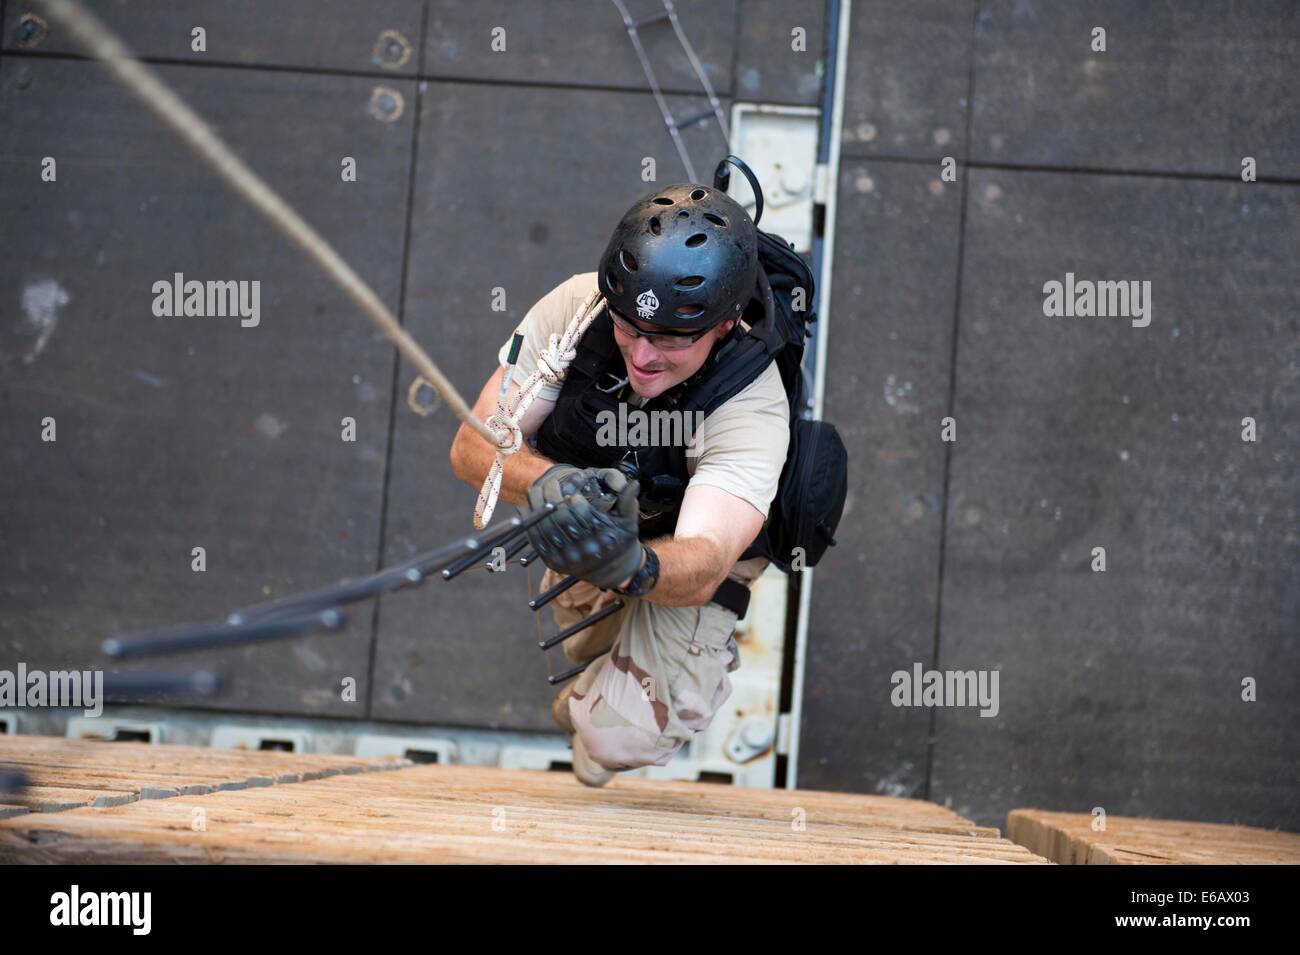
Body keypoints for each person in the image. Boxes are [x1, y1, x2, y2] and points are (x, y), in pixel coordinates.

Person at [449, 181, 789, 786]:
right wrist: (548, 478)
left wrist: (635, 567)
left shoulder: (753, 404)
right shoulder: (576, 311)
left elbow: (707, 559)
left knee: (613, 738)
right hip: (594, 514)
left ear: (725, 325)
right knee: (589, 656)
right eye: (630, 327)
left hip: (684, 560)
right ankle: (602, 685)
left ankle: (612, 705)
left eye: (673, 338)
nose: (643, 354)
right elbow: (474, 446)